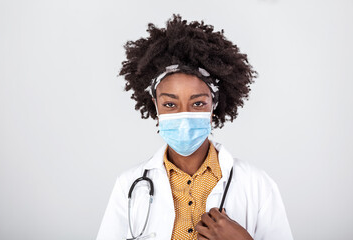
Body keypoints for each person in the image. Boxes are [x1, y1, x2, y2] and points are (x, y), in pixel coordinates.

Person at [96, 14, 293, 240]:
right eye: (170, 104)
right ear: (155, 106)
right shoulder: (129, 185)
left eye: (198, 103)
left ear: (214, 105)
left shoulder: (257, 185)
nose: (184, 116)